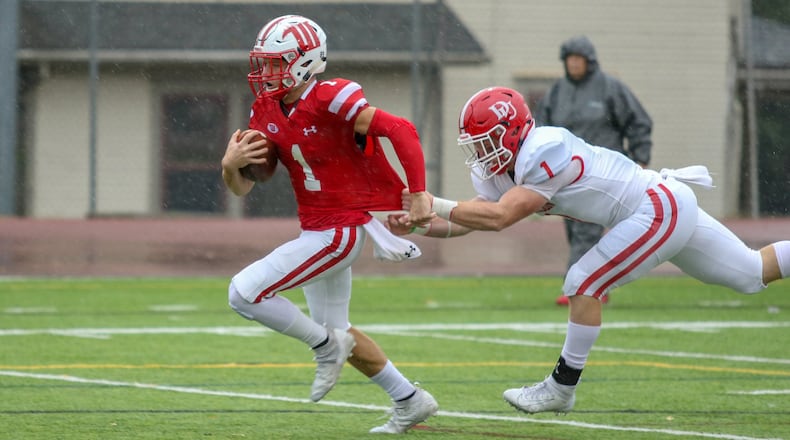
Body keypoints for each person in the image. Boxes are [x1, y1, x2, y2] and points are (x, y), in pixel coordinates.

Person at [388, 86, 790, 415]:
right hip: (662, 206)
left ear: (511, 131)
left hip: (657, 207)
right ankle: (560, 390)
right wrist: (419, 224)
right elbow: (468, 220)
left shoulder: (543, 148)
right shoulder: (502, 169)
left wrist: (431, 201)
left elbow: (500, 218)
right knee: (752, 274)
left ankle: (560, 389)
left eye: (486, 140)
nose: (480, 152)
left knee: (583, 281)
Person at [220, 15, 438, 434]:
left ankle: (323, 347)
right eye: (263, 63)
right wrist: (230, 166)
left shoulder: (332, 97)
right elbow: (242, 188)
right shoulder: (265, 108)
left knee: (243, 294)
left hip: (341, 230)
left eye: (276, 62)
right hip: (316, 229)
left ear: (306, 61)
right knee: (340, 330)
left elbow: (401, 129)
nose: (266, 73)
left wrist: (419, 191)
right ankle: (410, 399)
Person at [536, 35, 653, 306]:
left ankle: (578, 288)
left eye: (578, 59)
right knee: (574, 229)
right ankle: (596, 285)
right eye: (569, 59)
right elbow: (541, 128)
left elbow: (639, 122)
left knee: (586, 230)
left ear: (589, 62)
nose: (574, 64)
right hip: (563, 176)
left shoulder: (610, 89)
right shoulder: (557, 92)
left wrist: (640, 158)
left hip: (602, 176)